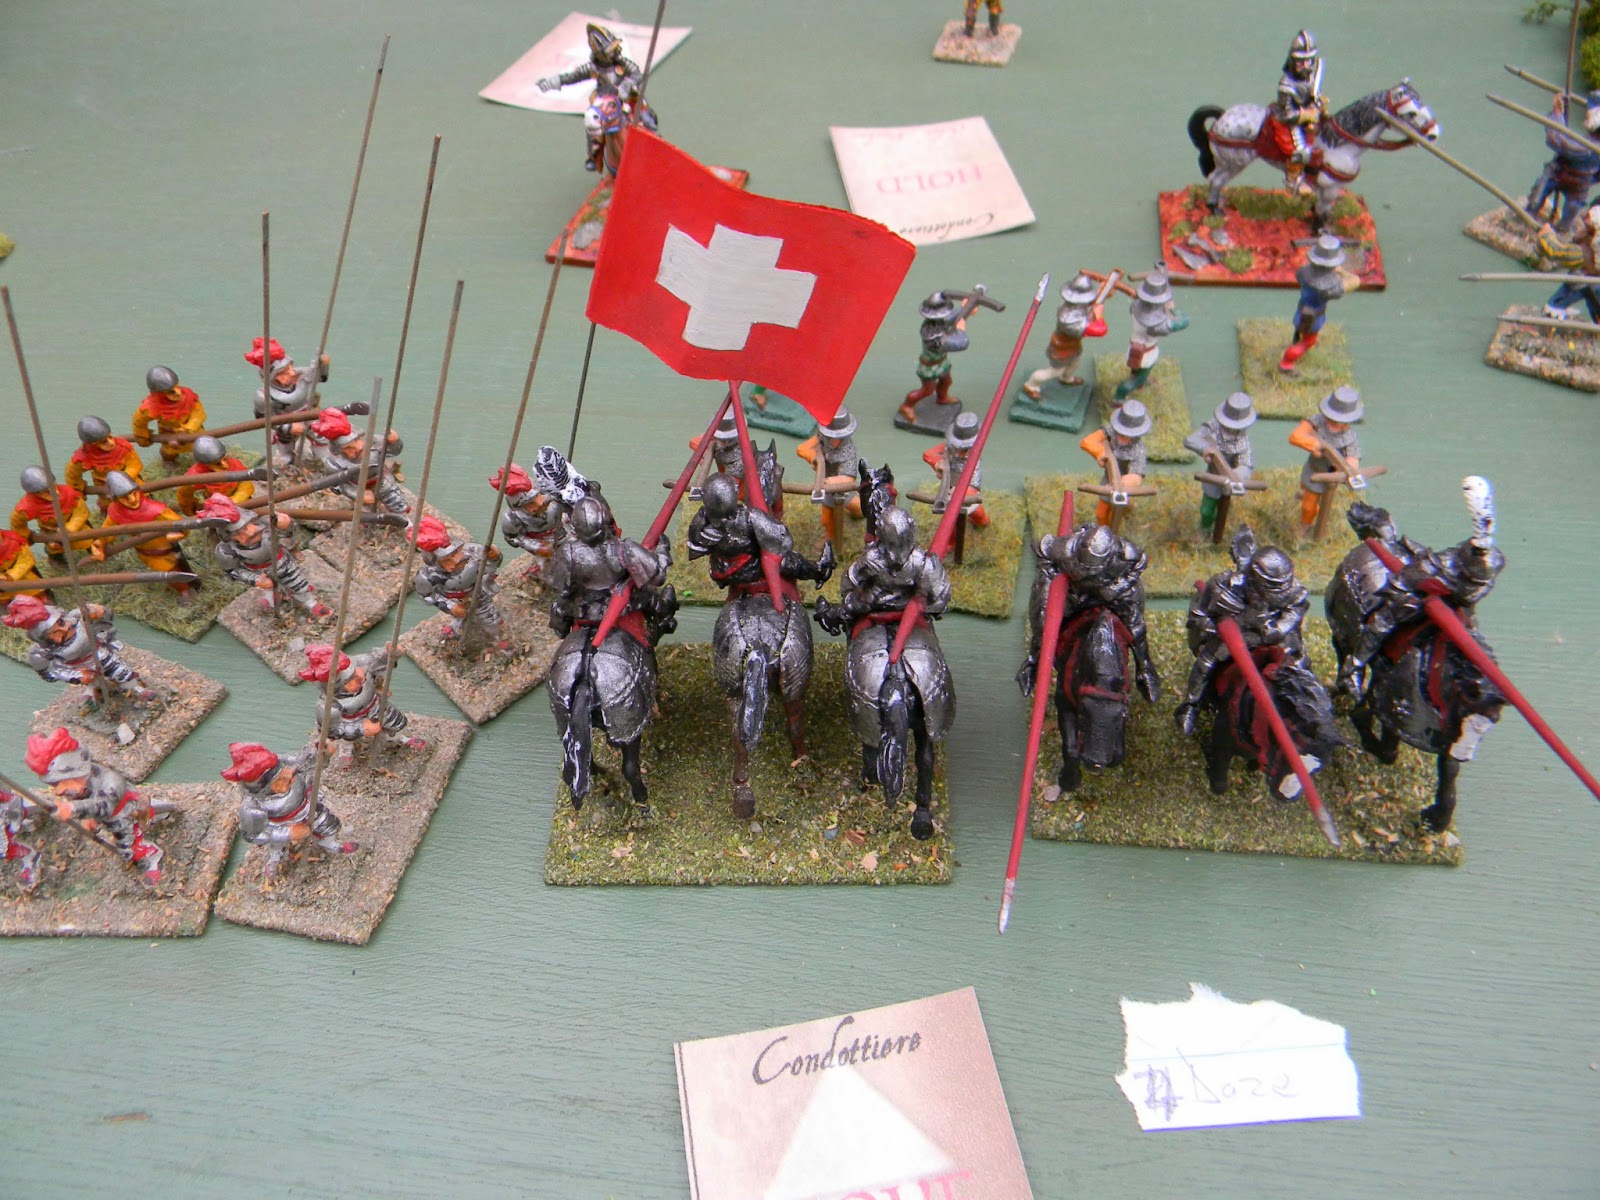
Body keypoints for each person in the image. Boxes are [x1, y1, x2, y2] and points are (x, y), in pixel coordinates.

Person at [1175, 537, 1310, 735]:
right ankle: (1190, 705)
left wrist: (1278, 629)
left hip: (1272, 635)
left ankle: (1308, 702)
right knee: (1206, 663)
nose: (1279, 593)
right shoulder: (1225, 586)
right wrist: (1218, 628)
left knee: (1300, 660)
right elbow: (1199, 614)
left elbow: (1295, 610)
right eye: (1272, 587)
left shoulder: (1291, 590)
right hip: (1234, 637)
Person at [1017, 521, 1159, 703]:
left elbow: (1139, 565)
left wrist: (1117, 588)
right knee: (1043, 619)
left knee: (1135, 626)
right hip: (1074, 590)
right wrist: (1059, 582)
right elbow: (1043, 555)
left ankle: (1144, 668)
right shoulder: (1063, 548)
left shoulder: (1127, 553)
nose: (1086, 570)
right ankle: (1033, 662)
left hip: (1112, 590)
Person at [27, 726, 164, 885]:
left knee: (132, 847)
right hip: (110, 819)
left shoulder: (112, 782)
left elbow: (103, 806)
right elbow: (88, 800)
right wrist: (89, 817)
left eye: (59, 783)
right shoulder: (81, 785)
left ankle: (154, 858)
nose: (57, 791)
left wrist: (73, 809)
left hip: (126, 813)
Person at [545, 497, 676, 644]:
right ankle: (662, 623)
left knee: (558, 610)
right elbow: (658, 577)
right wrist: (662, 550)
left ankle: (563, 633)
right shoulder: (625, 548)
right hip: (622, 608)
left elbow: (562, 588)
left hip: (583, 611)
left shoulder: (567, 552)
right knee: (654, 599)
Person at [536, 22, 659, 172]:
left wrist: (626, 85)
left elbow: (636, 74)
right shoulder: (592, 67)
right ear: (602, 54)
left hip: (625, 96)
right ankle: (593, 155)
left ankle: (654, 139)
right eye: (611, 51)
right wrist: (552, 82)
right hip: (604, 98)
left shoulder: (622, 63)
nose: (616, 52)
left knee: (644, 116)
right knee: (593, 123)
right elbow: (573, 77)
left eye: (615, 48)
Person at [222, 742, 357, 876]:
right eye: (280, 780)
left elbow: (308, 763)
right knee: (277, 844)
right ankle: (276, 858)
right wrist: (288, 833)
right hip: (281, 823)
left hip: (308, 807)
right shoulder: (253, 808)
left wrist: (322, 754)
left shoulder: (287, 765)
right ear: (265, 788)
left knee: (328, 824)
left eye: (287, 774)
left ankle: (328, 843)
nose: (291, 779)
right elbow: (253, 835)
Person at [686, 473, 833, 595]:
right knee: (788, 560)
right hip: (752, 570)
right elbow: (783, 541)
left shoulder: (701, 520)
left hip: (721, 573)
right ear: (734, 492)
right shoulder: (749, 517)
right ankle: (819, 571)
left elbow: (694, 550)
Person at [4, 595, 156, 706]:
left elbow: (106, 618)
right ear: (43, 637)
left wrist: (98, 611)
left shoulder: (77, 617)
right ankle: (94, 691)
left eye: (61, 623)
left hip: (100, 654)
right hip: (77, 666)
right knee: (93, 681)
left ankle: (135, 689)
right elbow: (52, 673)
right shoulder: (41, 652)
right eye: (55, 632)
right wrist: (76, 676)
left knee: (121, 671)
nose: (65, 629)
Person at [198, 494, 331, 619]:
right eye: (240, 532)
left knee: (298, 583)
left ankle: (310, 602)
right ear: (229, 536)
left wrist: (287, 525)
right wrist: (255, 579)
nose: (250, 532)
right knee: (271, 588)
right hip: (260, 572)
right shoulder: (226, 551)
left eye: (248, 525)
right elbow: (233, 571)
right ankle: (275, 596)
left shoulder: (267, 525)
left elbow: (289, 534)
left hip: (283, 563)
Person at [300, 645, 425, 757]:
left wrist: (389, 653)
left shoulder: (359, 664)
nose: (360, 675)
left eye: (356, 671)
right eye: (351, 679)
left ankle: (397, 739)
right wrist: (360, 728)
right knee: (346, 742)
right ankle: (347, 753)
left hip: (376, 706)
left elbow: (375, 659)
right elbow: (332, 731)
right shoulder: (329, 707)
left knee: (395, 722)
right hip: (350, 720)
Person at [412, 515, 512, 651]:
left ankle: (497, 636)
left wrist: (495, 556)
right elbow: (428, 596)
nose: (455, 562)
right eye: (446, 560)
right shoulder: (427, 576)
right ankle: (456, 630)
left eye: (454, 555)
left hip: (478, 592)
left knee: (491, 618)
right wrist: (450, 606)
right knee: (460, 618)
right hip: (455, 599)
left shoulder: (473, 553)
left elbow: (491, 565)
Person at [98, 471, 196, 600]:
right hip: (142, 551)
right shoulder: (115, 511)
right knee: (168, 572)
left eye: (134, 493)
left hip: (164, 551)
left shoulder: (157, 510)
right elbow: (108, 530)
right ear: (116, 499)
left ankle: (186, 591)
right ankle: (182, 585)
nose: (133, 500)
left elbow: (180, 525)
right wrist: (100, 543)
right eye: (124, 498)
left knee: (171, 572)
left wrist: (177, 534)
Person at [1287, 386, 1363, 537]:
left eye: (1336, 421)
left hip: (1326, 476)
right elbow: (1295, 436)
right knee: (1304, 485)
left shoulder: (1350, 439)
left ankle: (1306, 523)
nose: (1330, 422)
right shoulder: (1318, 421)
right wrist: (1315, 445)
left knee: (1309, 507)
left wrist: (1348, 468)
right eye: (1330, 417)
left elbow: (1352, 461)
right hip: (1312, 467)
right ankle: (1304, 495)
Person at [1278, 235, 1360, 372]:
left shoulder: (1304, 271)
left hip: (1301, 309)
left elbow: (1299, 276)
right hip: (1312, 316)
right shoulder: (1330, 286)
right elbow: (1356, 281)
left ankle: (1296, 340)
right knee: (1308, 342)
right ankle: (1286, 363)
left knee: (1300, 330)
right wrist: (1341, 272)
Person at [1183, 393, 1258, 539]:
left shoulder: (1243, 442)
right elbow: (1190, 440)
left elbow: (1246, 464)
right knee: (1207, 510)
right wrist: (1206, 449)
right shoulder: (1213, 427)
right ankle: (1205, 529)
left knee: (1224, 508)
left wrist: (1236, 477)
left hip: (1231, 479)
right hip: (1213, 477)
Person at [1021, 273, 1108, 399]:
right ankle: (1031, 384)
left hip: (1073, 345)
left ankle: (1067, 378)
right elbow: (1100, 330)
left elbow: (1092, 304)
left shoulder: (1078, 307)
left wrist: (1103, 291)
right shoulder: (1068, 318)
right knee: (1056, 371)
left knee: (1075, 362)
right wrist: (1099, 315)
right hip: (1062, 348)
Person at [1525, 90, 1600, 233]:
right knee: (1536, 198)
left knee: (1568, 217)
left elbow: (1558, 139)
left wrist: (1557, 115)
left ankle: (1559, 231)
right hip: (1558, 173)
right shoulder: (1589, 143)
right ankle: (1531, 214)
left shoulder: (1589, 148)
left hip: (1579, 185)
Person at [1260, 30, 1325, 192]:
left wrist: (1318, 104)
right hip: (1287, 121)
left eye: (1309, 61)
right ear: (1293, 61)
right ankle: (1293, 183)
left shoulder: (1310, 78)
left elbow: (1312, 97)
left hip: (1307, 119)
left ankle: (1313, 177)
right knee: (1299, 151)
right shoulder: (1286, 84)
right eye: (1301, 62)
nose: (1306, 66)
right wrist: (1306, 114)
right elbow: (1285, 114)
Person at [1113, 267, 1187, 403]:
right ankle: (1119, 396)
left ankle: (1141, 380)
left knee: (1138, 371)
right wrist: (1172, 309)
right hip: (1146, 352)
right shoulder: (1157, 324)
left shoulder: (1135, 306)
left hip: (1135, 346)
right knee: (1138, 377)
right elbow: (1183, 322)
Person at [900, 292, 971, 423]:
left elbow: (949, 320)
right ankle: (906, 406)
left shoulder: (936, 323)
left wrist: (964, 309)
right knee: (926, 391)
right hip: (929, 367)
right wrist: (960, 330)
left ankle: (942, 398)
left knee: (946, 382)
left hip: (941, 362)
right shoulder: (932, 338)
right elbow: (961, 343)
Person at [795, 408, 863, 543]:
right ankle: (830, 536)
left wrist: (828, 482)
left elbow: (849, 478)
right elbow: (802, 449)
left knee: (859, 508)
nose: (833, 440)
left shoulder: (848, 451)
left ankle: (860, 513)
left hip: (841, 487)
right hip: (826, 487)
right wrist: (815, 458)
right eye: (831, 435)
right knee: (826, 519)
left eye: (837, 437)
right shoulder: (822, 437)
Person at [1078, 400, 1151, 527]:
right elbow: (1087, 442)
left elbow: (1136, 477)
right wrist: (1101, 453)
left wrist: (1119, 483)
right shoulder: (1111, 431)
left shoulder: (1138, 450)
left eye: (1128, 435)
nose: (1123, 437)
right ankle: (1102, 531)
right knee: (1101, 514)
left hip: (1120, 485)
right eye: (1121, 433)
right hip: (1107, 480)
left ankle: (1125, 512)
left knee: (1116, 514)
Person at [920, 410, 989, 527]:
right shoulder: (948, 447)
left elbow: (974, 486)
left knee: (980, 517)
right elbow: (928, 455)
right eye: (958, 446)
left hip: (966, 493)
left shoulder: (974, 460)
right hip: (949, 488)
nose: (960, 451)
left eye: (965, 448)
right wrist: (938, 465)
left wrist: (958, 492)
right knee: (951, 523)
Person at [11, 466, 95, 560]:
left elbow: (81, 513)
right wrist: (27, 535)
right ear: (35, 493)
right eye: (46, 492)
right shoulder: (26, 507)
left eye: (54, 486)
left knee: (89, 540)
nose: (55, 492)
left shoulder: (69, 493)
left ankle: (96, 553)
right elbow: (17, 524)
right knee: (54, 549)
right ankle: (57, 560)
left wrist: (70, 528)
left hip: (77, 528)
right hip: (51, 532)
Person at [65, 416, 143, 513]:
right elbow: (72, 474)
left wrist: (122, 482)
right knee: (110, 508)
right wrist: (77, 489)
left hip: (131, 483)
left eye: (110, 437)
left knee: (141, 502)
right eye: (103, 442)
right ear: (92, 444)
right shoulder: (83, 457)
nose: (111, 443)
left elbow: (135, 465)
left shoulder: (124, 447)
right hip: (105, 490)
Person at [132, 366, 206, 466]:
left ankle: (205, 462)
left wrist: (187, 430)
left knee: (203, 447)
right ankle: (169, 463)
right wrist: (143, 437)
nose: (178, 393)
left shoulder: (189, 397)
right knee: (168, 454)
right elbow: (138, 422)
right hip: (169, 435)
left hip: (194, 432)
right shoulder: (150, 407)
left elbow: (198, 414)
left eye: (177, 387)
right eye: (171, 391)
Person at [174, 436, 253, 516]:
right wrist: (191, 511)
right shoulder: (197, 476)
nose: (225, 465)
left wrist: (233, 501)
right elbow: (184, 494)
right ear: (205, 465)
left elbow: (246, 485)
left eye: (224, 459)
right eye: (217, 463)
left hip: (238, 501)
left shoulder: (235, 465)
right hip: (215, 508)